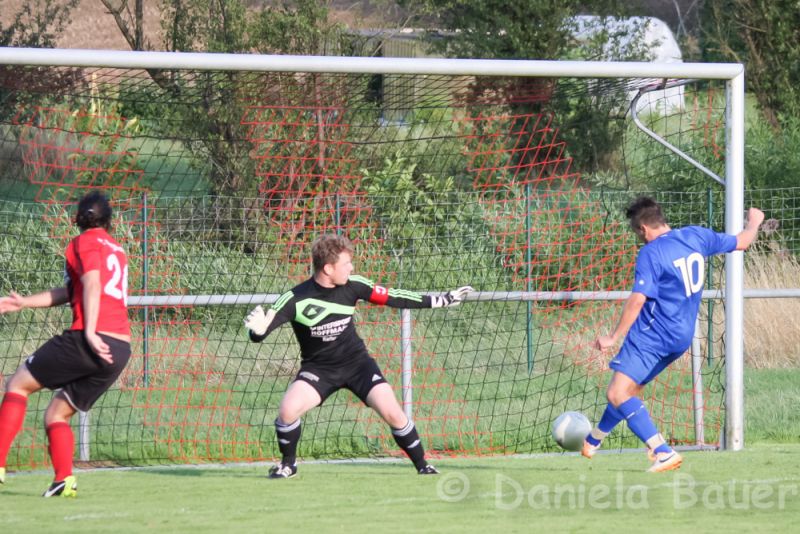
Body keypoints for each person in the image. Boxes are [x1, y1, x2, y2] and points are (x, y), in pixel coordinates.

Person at [244, 234, 472, 478]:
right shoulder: (294, 299)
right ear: (328, 268)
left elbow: (394, 296)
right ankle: (288, 465)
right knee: (287, 411)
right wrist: (256, 332)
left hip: (358, 365)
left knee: (394, 414)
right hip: (319, 369)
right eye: (346, 264)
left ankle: (423, 466)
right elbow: (260, 333)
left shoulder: (354, 285)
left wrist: (442, 300)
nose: (351, 268)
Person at [583, 197, 764, 472]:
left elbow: (638, 299)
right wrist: (754, 222)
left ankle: (662, 451)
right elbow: (742, 242)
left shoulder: (651, 253)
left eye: (636, 233)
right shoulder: (695, 236)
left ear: (643, 228)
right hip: (681, 337)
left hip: (652, 335)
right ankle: (594, 439)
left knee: (617, 392)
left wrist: (613, 336)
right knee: (629, 391)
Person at [0, 191, 131, 497]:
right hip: (119, 350)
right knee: (56, 414)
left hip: (90, 339)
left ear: (78, 219)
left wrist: (90, 333)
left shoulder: (84, 242)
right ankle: (63, 480)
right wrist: (24, 302)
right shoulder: (116, 249)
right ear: (109, 221)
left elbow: (93, 284)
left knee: (18, 385)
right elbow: (72, 291)